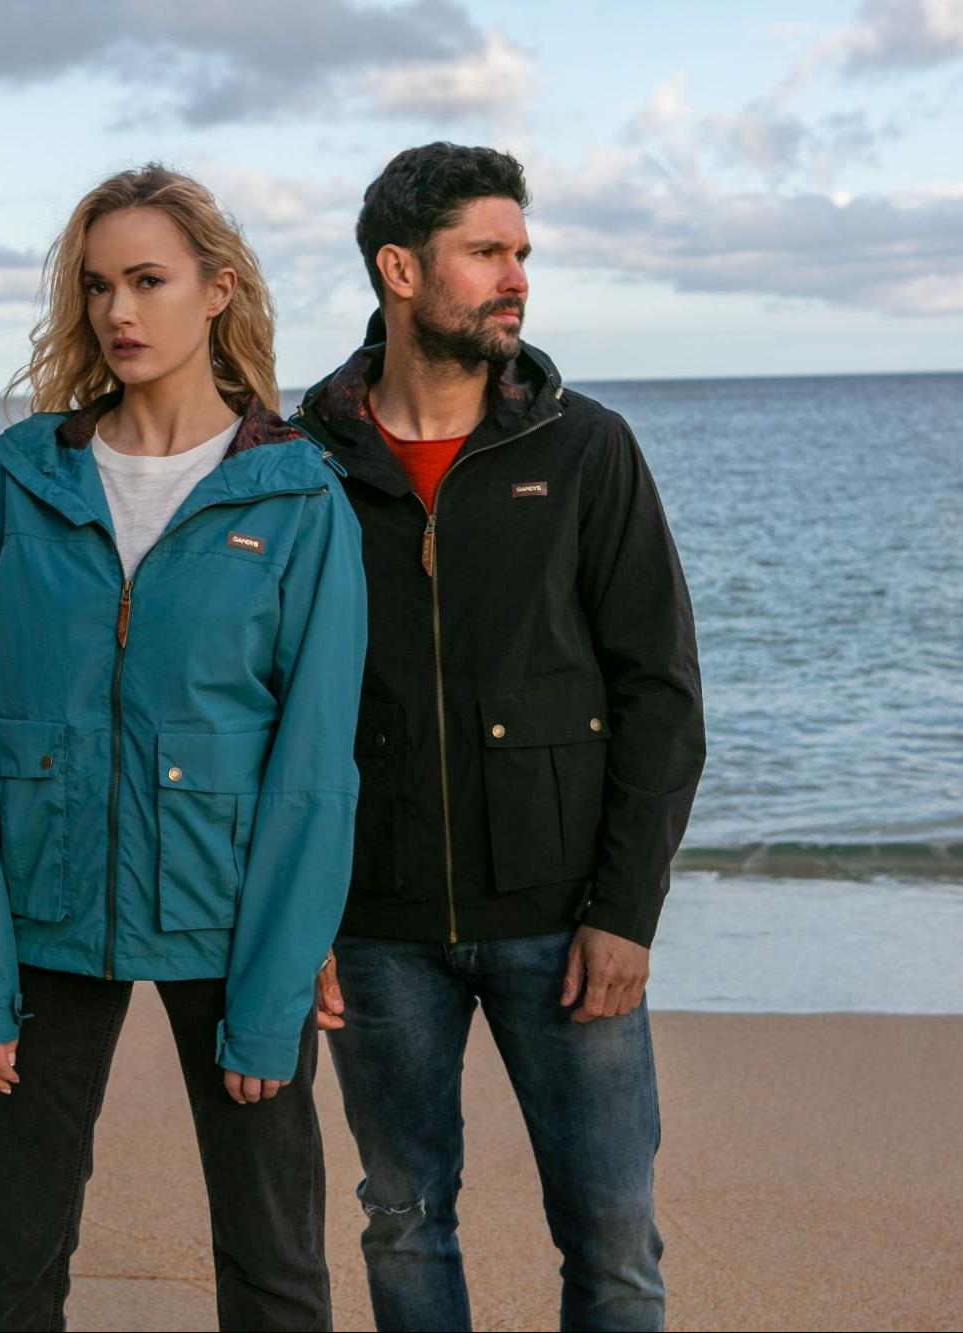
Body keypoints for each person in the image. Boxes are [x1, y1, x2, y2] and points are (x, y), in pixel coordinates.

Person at [0, 163, 367, 1332]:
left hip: (228, 921)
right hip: (46, 915)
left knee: (275, 1260)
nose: (117, 313)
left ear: (218, 290)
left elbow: (314, 772)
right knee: (13, 1252)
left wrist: (274, 991)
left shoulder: (295, 496)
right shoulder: (26, 482)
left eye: (147, 280)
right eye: (95, 287)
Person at [292, 143, 706, 1332]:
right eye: (485, 251)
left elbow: (661, 692)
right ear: (399, 270)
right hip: (372, 930)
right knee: (404, 1219)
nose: (514, 276)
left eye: (521, 252)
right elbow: (263, 705)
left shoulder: (584, 449)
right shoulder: (298, 462)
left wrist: (626, 909)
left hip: (565, 922)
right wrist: (295, 922)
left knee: (614, 1239)